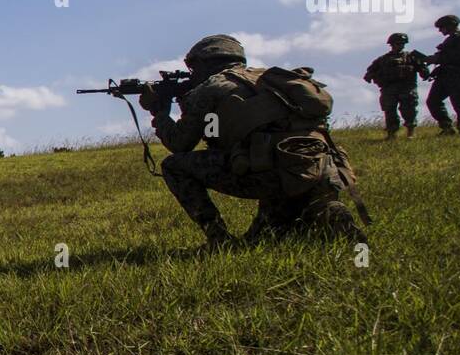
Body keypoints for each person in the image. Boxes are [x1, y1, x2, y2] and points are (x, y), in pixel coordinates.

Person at [138, 34, 366, 247]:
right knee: (265, 239)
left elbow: (180, 144)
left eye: (193, 67)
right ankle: (326, 213)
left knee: (174, 166)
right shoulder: (271, 79)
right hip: (324, 172)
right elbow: (217, 129)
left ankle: (219, 239)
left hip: (273, 174)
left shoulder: (210, 88)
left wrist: (159, 113)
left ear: (205, 63)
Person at [363, 32, 428, 139]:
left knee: (409, 111)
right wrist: (371, 76)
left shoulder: (411, 57)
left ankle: (410, 132)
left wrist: (424, 72)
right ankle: (391, 134)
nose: (400, 46)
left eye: (402, 43)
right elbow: (370, 72)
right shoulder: (382, 59)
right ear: (392, 44)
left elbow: (423, 70)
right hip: (389, 89)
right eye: (397, 43)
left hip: (407, 88)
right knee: (390, 111)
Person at [422, 14, 460, 135]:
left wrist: (437, 59)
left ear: (450, 26)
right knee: (433, 101)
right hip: (445, 74)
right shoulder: (452, 38)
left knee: (459, 102)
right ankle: (447, 128)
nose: (440, 30)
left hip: (458, 74)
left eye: (442, 27)